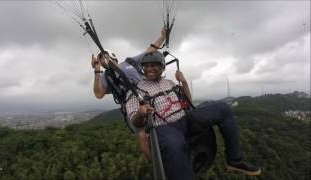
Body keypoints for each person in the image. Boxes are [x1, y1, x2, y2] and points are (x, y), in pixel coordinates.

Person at [125, 51, 261, 180]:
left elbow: (188, 102)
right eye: (146, 66)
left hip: (186, 119)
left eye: (153, 65)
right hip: (165, 128)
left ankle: (234, 160)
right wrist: (140, 112)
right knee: (174, 145)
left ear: (162, 67)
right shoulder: (136, 91)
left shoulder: (169, 83)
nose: (149, 68)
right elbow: (135, 123)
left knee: (223, 109)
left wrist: (183, 82)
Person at [91, 27, 167, 160]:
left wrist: (162, 37)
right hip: (131, 104)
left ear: (113, 55)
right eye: (101, 59)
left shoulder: (129, 62)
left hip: (149, 92)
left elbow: (149, 51)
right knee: (143, 136)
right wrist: (97, 71)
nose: (103, 59)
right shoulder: (105, 77)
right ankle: (159, 166)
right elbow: (98, 94)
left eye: (104, 56)